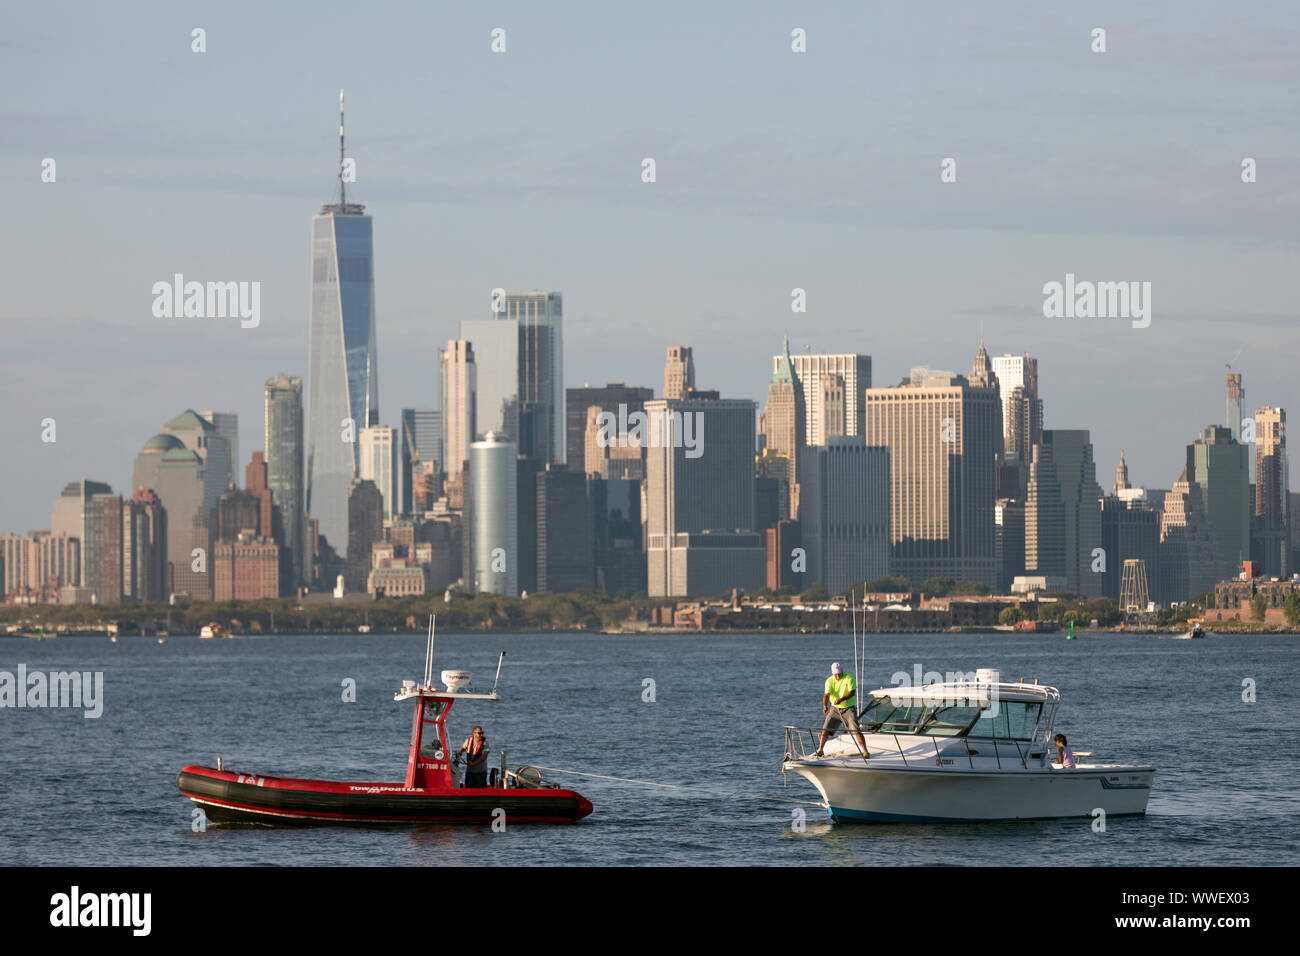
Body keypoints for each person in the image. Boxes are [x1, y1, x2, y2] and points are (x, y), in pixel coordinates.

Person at [813, 662, 868, 759]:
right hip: (834, 709)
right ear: (832, 673)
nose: (837, 675)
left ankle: (865, 751)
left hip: (849, 709)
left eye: (839, 673)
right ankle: (820, 750)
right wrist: (825, 706)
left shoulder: (849, 677)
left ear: (842, 671)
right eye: (835, 673)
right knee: (825, 729)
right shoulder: (829, 681)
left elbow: (852, 692)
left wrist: (841, 699)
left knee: (856, 730)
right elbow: (826, 695)